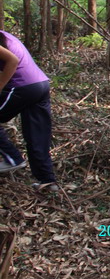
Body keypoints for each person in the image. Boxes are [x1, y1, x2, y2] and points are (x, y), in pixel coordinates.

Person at [0, 31, 58, 192]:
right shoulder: (5, 36)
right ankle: (47, 181)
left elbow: (12, 60)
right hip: (40, 85)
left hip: (22, 87)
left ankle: (13, 159)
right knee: (37, 135)